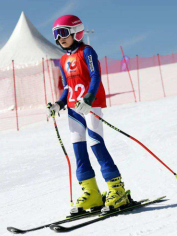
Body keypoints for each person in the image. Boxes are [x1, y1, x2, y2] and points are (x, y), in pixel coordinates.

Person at [46, 15, 129, 212]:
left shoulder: (87, 51)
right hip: (74, 110)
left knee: (96, 144)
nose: (59, 38)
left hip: (90, 106)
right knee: (78, 149)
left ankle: (116, 189)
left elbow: (95, 76)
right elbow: (67, 87)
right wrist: (58, 104)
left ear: (76, 31)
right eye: (56, 35)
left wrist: (90, 98)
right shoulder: (64, 59)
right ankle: (91, 192)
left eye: (63, 33)